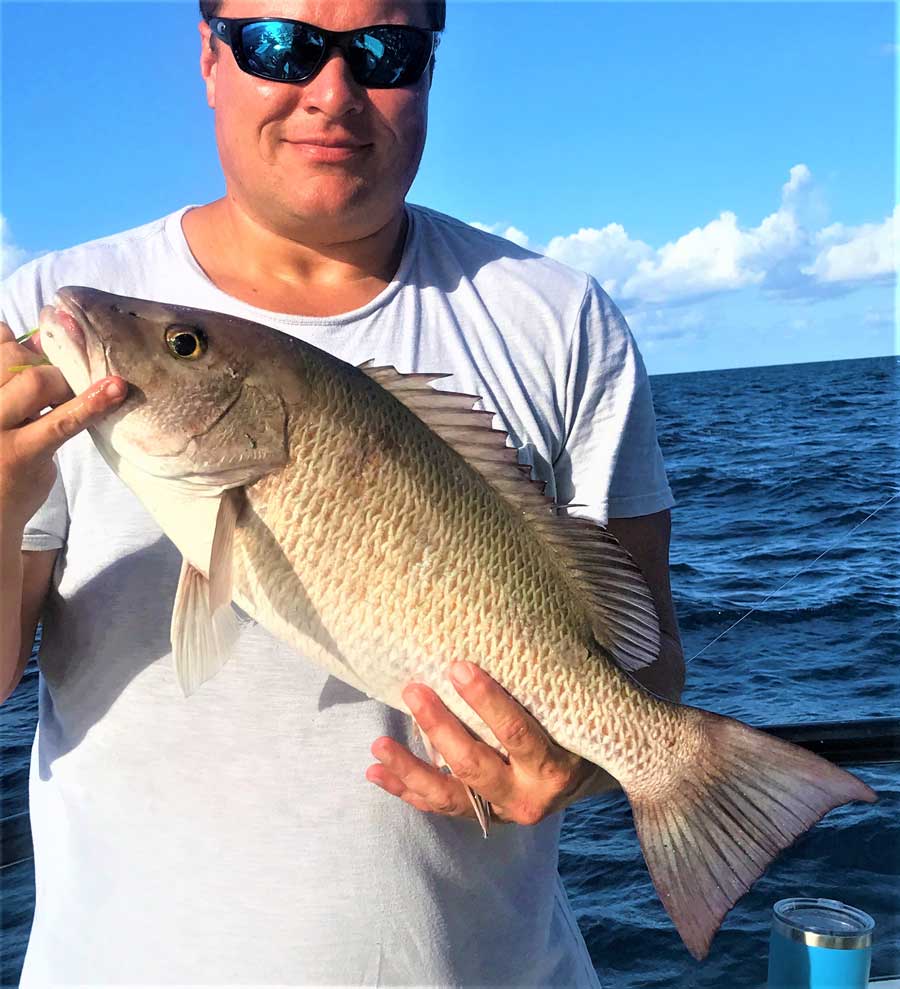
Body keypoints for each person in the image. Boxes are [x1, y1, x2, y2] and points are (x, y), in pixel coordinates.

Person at [0, 1, 684, 984]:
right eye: (280, 44)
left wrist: (592, 759)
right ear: (207, 55)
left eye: (384, 52)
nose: (332, 92)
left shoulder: (557, 319)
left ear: (433, 68)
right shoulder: (48, 314)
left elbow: (648, 661)